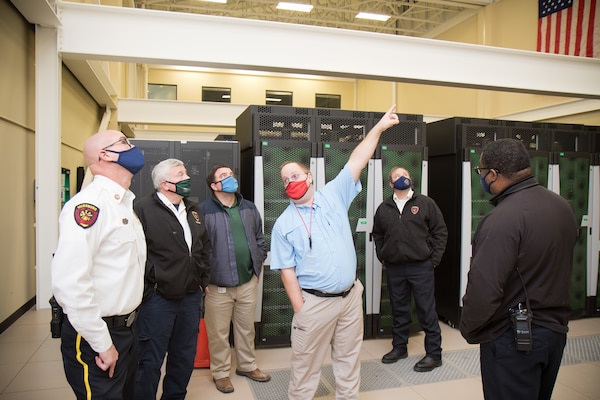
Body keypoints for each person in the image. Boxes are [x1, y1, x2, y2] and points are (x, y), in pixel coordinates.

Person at [269, 104, 400, 400]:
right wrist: (301, 309)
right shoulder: (284, 224)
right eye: (286, 179)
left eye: (295, 175)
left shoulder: (333, 195)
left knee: (348, 359)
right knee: (305, 367)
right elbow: (287, 272)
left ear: (311, 177)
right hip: (314, 304)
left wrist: (378, 128)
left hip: (351, 297)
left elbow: (358, 158)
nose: (291, 181)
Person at [460, 138, 578, 400]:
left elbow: (484, 289)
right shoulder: (562, 207)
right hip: (554, 333)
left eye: (481, 172)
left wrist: (468, 329)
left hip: (514, 339)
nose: (482, 178)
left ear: (493, 174)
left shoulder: (501, 219)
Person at [51, 130, 147, 400]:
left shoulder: (124, 205)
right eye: (124, 143)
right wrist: (102, 343)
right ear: (104, 155)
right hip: (97, 333)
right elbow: (70, 284)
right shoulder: (89, 206)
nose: (133, 147)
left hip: (127, 328)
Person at [133, 158, 211, 400]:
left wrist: (202, 280)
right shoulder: (142, 209)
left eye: (186, 172)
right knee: (149, 360)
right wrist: (148, 286)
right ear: (165, 184)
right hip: (158, 299)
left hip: (190, 297)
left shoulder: (194, 210)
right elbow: (135, 254)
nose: (187, 178)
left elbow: (204, 247)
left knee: (184, 357)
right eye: (181, 174)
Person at [199, 164, 269, 394]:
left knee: (246, 328)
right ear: (214, 185)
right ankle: (220, 373)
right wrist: (203, 279)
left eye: (231, 174)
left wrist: (258, 265)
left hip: (248, 281)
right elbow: (196, 248)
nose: (231, 178)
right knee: (218, 333)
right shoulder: (202, 211)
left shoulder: (248, 207)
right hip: (217, 285)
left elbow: (259, 237)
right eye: (224, 176)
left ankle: (247, 366)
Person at [372, 166, 447, 371]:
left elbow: (440, 231)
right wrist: (383, 255)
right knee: (399, 309)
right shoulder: (384, 207)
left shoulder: (425, 203)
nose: (401, 178)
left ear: (410, 179)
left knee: (426, 310)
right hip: (395, 267)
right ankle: (399, 347)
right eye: (396, 176)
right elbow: (377, 234)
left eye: (404, 175)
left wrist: (434, 260)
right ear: (390, 184)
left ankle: (434, 354)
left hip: (421, 266)